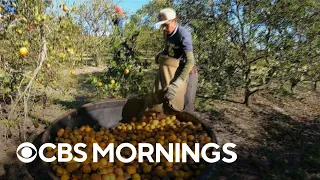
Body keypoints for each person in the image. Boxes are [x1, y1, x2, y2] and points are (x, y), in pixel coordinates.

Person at [150, 8, 198, 114]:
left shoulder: (184, 36)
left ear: (175, 21)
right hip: (174, 69)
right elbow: (169, 50)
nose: (163, 29)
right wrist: (161, 54)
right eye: (162, 26)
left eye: (166, 25)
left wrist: (176, 85)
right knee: (166, 98)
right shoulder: (167, 33)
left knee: (186, 106)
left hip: (188, 72)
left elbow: (190, 62)